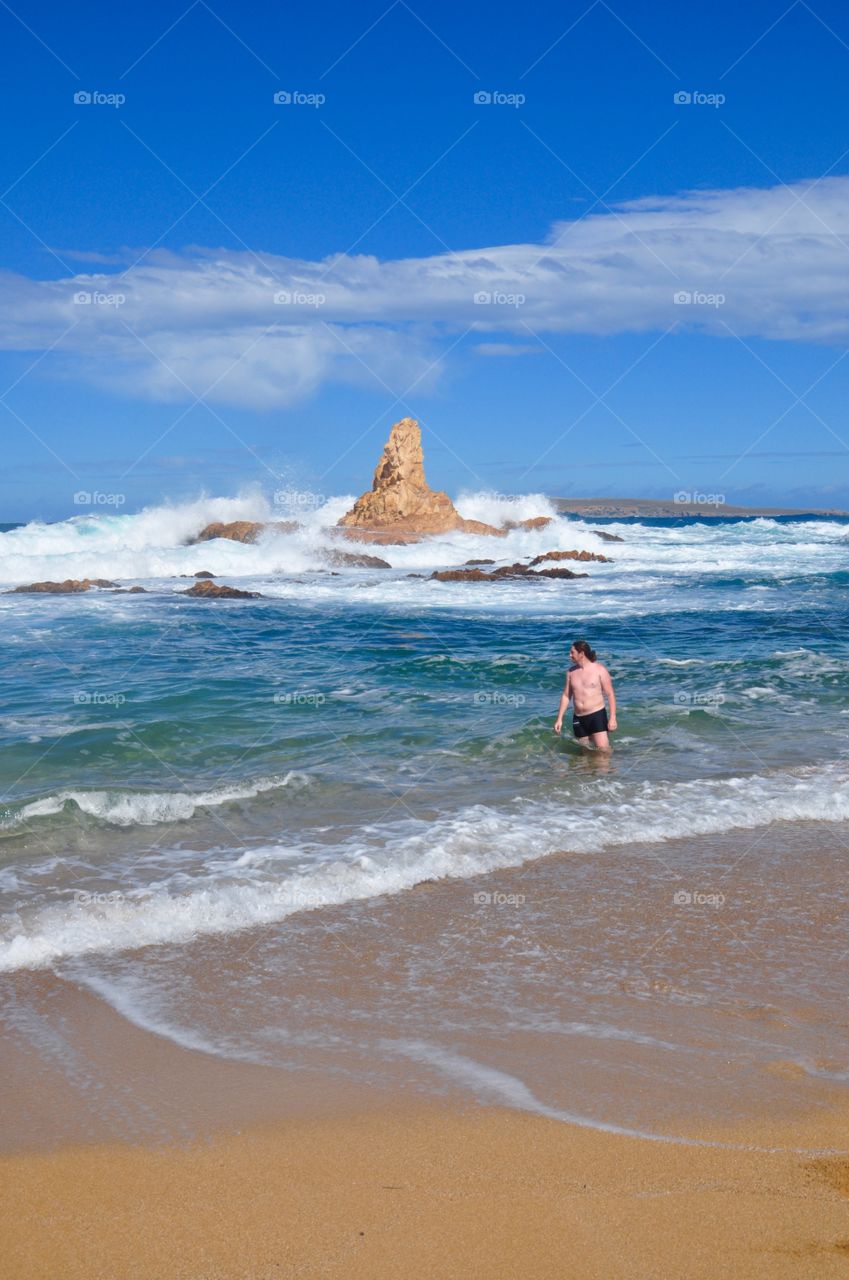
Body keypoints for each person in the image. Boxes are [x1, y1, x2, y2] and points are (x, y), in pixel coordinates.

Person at [553, 640, 617, 751]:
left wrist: (612, 718)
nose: (570, 655)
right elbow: (566, 696)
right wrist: (559, 719)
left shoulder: (599, 670)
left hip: (596, 715)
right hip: (578, 718)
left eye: (572, 652)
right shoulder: (571, 672)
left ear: (581, 654)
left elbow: (610, 694)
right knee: (585, 754)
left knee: (603, 752)